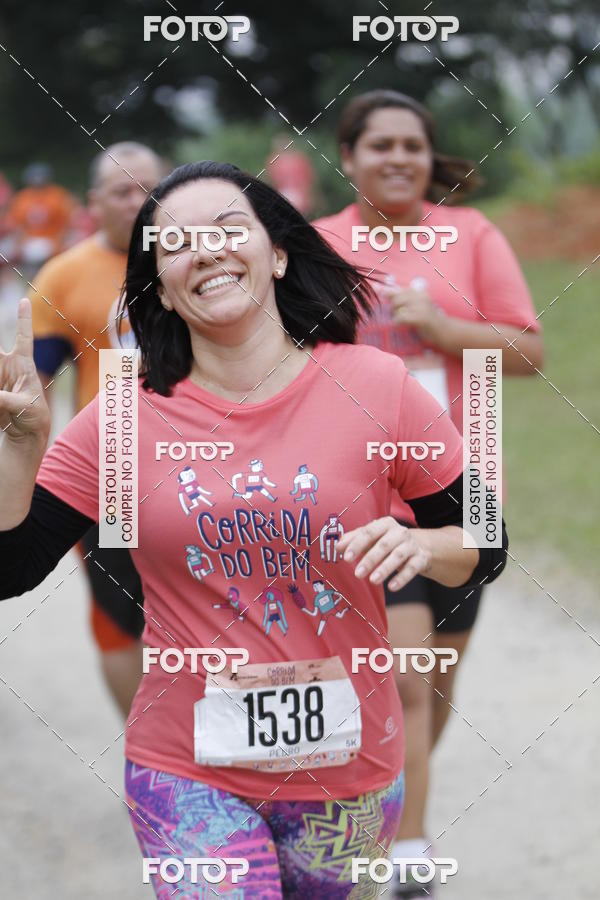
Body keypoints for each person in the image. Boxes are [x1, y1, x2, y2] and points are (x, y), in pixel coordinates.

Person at [0, 161, 508, 898]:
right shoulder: (120, 420)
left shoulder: (376, 386)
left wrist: (425, 543)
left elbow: (486, 542)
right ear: (159, 286)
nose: (203, 250)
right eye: (174, 244)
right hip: (185, 769)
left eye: (227, 229)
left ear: (277, 253)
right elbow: (10, 570)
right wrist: (17, 455)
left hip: (350, 774)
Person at [313, 89, 544, 897]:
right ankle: (403, 852)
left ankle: (386, 793)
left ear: (428, 156)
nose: (399, 158)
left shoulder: (469, 235)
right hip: (371, 498)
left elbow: (528, 347)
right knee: (404, 677)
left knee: (434, 687)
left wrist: (446, 332)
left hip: (466, 492)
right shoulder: (318, 245)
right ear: (349, 157)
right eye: (380, 146)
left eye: (413, 145)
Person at [28, 142, 165, 716]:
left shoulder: (196, 259)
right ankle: (151, 753)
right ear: (93, 203)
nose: (137, 201)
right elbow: (33, 381)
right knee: (118, 618)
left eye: (149, 188)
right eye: (122, 190)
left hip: (205, 462)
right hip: (111, 469)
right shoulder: (65, 275)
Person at [7, 163, 76, 276]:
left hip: (52, 240)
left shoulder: (58, 195)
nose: (37, 181)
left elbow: (66, 224)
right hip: (29, 242)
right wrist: (18, 245)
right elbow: (18, 226)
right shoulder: (22, 198)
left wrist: (58, 243)